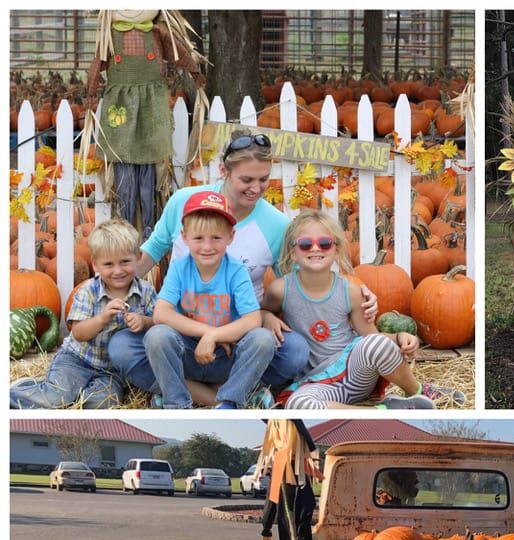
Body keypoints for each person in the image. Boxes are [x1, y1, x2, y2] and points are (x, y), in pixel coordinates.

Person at [107, 128, 377, 405]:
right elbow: (150, 253)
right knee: (122, 348)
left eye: (263, 179)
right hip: (181, 336)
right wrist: (101, 286)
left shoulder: (275, 225)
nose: (256, 188)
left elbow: (301, 281)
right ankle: (221, 398)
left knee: (294, 351)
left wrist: (354, 292)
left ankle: (194, 388)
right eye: (246, 179)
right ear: (224, 170)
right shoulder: (184, 204)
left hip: (238, 340)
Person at [262, 209, 465, 410]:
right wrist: (268, 317)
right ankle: (384, 411)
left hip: (355, 372)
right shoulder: (281, 289)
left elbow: (370, 337)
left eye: (324, 243)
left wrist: (399, 337)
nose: (315, 249)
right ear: (293, 252)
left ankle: (418, 390)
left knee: (375, 344)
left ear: (336, 251)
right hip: (318, 383)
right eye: (306, 244)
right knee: (297, 404)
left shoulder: (349, 290)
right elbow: (261, 313)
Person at [143, 190, 274, 409]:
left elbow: (252, 320)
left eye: (216, 238)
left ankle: (230, 400)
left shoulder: (236, 271)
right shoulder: (179, 268)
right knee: (157, 336)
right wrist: (206, 333)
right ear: (184, 237)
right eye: (198, 238)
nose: (207, 246)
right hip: (188, 351)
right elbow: (161, 314)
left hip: (225, 353)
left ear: (230, 236)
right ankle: (176, 403)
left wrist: (215, 336)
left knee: (263, 339)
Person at [11, 219, 156, 409]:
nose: (118, 270)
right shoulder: (88, 291)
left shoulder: (146, 292)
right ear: (95, 265)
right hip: (77, 360)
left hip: (112, 373)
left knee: (102, 404)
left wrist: (144, 322)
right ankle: (19, 392)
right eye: (109, 264)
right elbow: (78, 332)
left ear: (138, 258)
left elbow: (157, 322)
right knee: (56, 398)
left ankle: (63, 390)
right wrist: (102, 318)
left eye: (125, 262)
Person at [86, 10, 206, 235]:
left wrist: (194, 70)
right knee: (122, 155)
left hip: (152, 100)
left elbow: (177, 52)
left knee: (151, 156)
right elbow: (98, 60)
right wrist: (91, 89)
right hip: (119, 103)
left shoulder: (158, 32)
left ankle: (150, 225)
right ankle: (125, 222)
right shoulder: (110, 35)